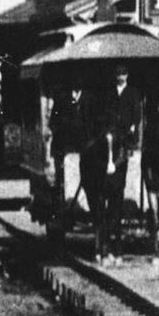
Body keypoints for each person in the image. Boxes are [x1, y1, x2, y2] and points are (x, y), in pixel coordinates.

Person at [97, 65, 141, 260]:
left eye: (123, 74)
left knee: (125, 155)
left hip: (126, 134)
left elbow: (137, 114)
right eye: (118, 74)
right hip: (112, 133)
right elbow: (105, 112)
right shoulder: (109, 93)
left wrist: (132, 127)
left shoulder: (132, 93)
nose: (121, 77)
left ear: (127, 76)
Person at [49, 82, 94, 229]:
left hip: (86, 146)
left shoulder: (89, 97)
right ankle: (64, 208)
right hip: (67, 147)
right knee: (63, 181)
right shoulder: (62, 98)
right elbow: (53, 122)